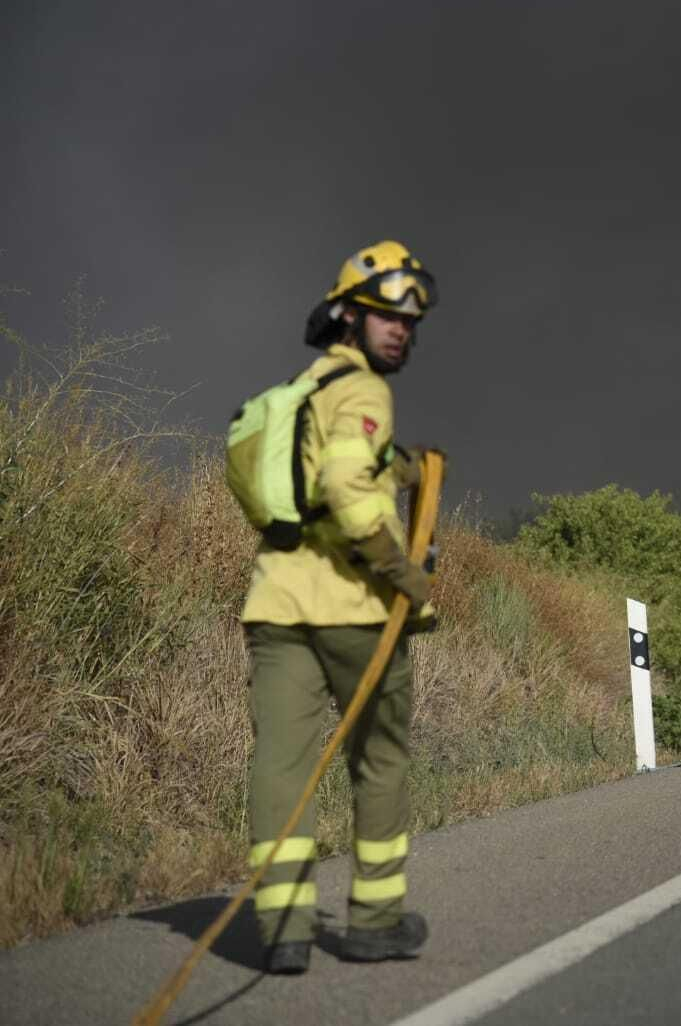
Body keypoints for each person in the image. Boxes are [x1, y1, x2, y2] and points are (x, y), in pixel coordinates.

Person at [240, 240, 439, 974]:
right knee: (379, 761)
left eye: (408, 321)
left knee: (281, 766)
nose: (400, 330)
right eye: (386, 316)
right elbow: (348, 486)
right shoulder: (364, 390)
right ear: (347, 316)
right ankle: (374, 923)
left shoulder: (303, 388)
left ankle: (282, 929)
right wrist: (404, 575)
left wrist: (403, 470)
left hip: (276, 603)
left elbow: (318, 477)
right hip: (354, 608)